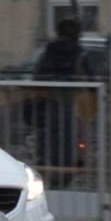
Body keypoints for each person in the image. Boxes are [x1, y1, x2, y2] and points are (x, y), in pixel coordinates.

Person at [31, 17, 96, 183]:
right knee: (72, 140)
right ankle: (67, 175)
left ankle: (52, 174)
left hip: (51, 103)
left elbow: (37, 76)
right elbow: (91, 81)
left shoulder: (48, 52)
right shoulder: (81, 54)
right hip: (73, 104)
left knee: (51, 139)